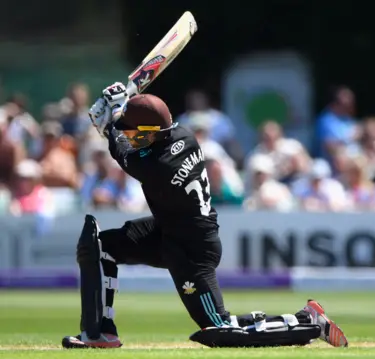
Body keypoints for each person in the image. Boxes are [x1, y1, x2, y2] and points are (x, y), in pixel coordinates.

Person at [62, 83, 348, 349]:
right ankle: (99, 333)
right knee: (101, 247)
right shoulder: (182, 134)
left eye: (136, 132)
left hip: (192, 249)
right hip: (170, 232)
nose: (132, 137)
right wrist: (119, 115)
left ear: (150, 132)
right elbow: (128, 141)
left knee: (218, 327)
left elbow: (122, 150)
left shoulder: (159, 165)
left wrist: (111, 122)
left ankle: (306, 321)